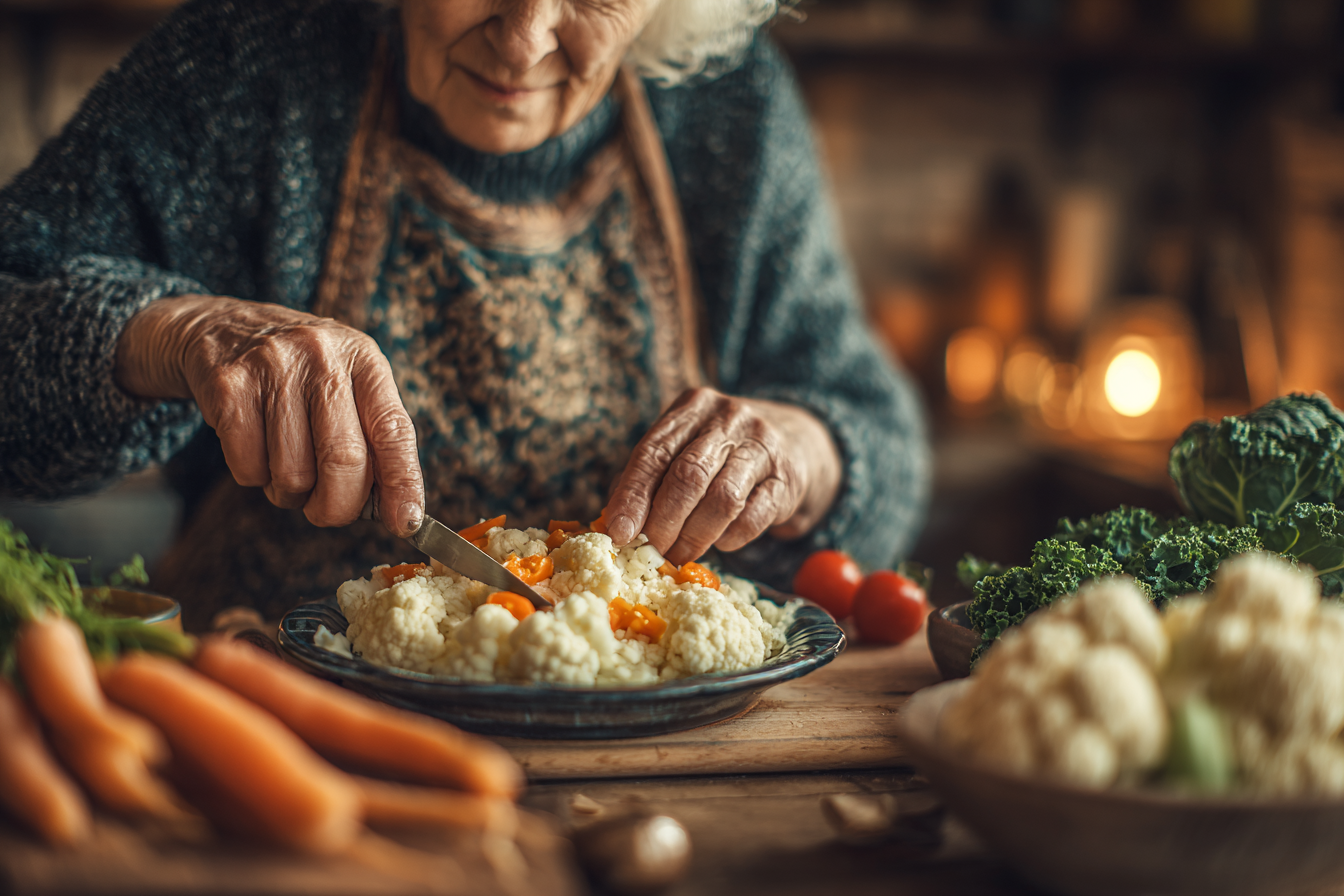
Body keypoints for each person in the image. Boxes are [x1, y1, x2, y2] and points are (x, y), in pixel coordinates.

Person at [0, 0, 929, 628]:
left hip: (649, 752)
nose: (523, 41)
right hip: (268, 711)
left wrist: (800, 449)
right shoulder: (239, 67)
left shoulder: (735, 108)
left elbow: (881, 445)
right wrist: (169, 333)